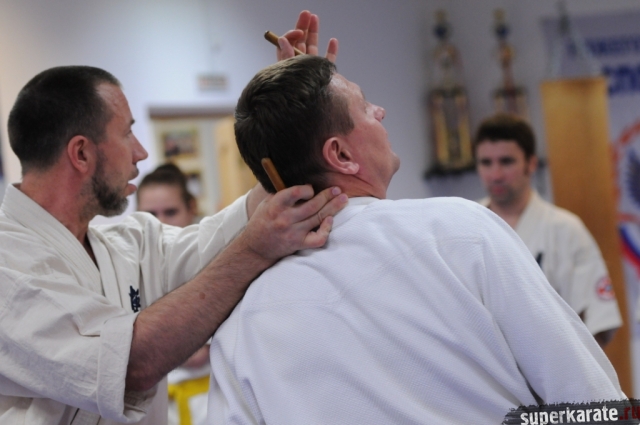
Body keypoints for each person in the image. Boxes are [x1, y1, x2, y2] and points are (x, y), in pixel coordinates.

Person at [206, 54, 623, 424]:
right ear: (341, 155)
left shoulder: (242, 325)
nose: (381, 111)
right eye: (365, 107)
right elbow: (593, 401)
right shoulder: (461, 232)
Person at [0, 17, 346, 425]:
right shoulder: (8, 266)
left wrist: (296, 125)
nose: (142, 152)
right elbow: (131, 366)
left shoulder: (129, 243)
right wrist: (253, 250)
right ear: (81, 154)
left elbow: (225, 235)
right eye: (127, 133)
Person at [473, 113, 622, 347]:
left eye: (506, 161)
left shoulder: (565, 230)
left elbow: (598, 323)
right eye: (486, 163)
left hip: (554, 363)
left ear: (531, 164)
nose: (496, 175)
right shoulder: (464, 228)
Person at [136, 163, 209, 425]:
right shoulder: (129, 271)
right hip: (156, 406)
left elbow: (197, 355)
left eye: (171, 212)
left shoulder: (217, 261)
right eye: (150, 214)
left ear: (191, 208)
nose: (161, 223)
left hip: (210, 398)